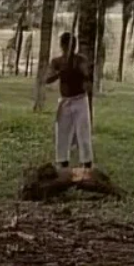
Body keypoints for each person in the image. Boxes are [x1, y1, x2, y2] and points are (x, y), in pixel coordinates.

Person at [46, 32, 94, 171]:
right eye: (66, 46)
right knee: (62, 131)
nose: (69, 49)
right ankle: (63, 161)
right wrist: (60, 72)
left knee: (83, 131)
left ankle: (87, 162)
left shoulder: (80, 60)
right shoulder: (57, 62)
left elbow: (87, 81)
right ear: (62, 46)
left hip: (80, 100)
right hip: (65, 101)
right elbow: (47, 79)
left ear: (75, 46)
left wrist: (83, 73)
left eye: (71, 46)